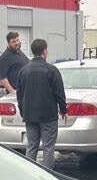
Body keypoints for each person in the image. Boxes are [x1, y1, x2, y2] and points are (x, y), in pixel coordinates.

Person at [16, 38, 67, 169]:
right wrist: (63, 110)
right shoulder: (52, 70)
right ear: (44, 51)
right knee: (48, 147)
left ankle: (29, 173)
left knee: (31, 145)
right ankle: (48, 174)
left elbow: (19, 95)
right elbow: (59, 92)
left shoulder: (23, 71)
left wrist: (23, 112)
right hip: (48, 115)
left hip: (29, 115)